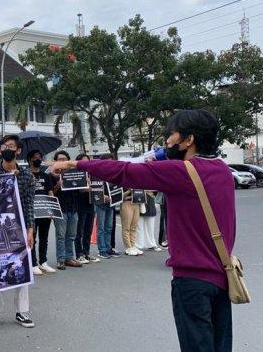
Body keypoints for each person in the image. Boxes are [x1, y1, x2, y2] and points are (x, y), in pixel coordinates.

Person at [53, 109, 235, 352]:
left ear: (189, 140)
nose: (167, 141)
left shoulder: (180, 172)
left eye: (172, 135)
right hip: (222, 277)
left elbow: (124, 171)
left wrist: (75, 163)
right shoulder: (222, 170)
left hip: (192, 283)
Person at [0, 134, 35, 329]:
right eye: (4, 146)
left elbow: (28, 204)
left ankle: (22, 312)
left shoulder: (27, 175)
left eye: (12, 146)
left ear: (18, 150)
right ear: (0, 150)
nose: (8, 149)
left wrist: (30, 230)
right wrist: (7, 180)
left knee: (22, 267)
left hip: (17, 227)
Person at [27, 149, 57, 275]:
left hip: (44, 211)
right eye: (35, 157)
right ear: (29, 160)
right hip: (31, 212)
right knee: (32, 238)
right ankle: (33, 263)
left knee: (44, 237)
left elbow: (50, 192)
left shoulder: (46, 176)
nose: (37, 159)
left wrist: (51, 210)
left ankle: (43, 262)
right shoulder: (25, 175)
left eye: (39, 157)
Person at [51, 151, 82, 269]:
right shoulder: (52, 176)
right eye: (60, 159)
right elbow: (50, 194)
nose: (62, 161)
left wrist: (85, 183)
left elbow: (81, 190)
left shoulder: (74, 173)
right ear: (56, 161)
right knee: (61, 235)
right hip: (60, 209)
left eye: (65, 159)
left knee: (71, 235)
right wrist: (57, 185)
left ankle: (69, 258)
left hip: (73, 208)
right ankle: (61, 259)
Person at [74, 154, 99, 264]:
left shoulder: (91, 173)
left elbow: (98, 187)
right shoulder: (76, 174)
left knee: (88, 231)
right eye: (83, 161)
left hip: (90, 204)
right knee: (79, 232)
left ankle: (86, 253)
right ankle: (79, 254)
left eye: (88, 161)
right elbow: (80, 190)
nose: (86, 163)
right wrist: (87, 187)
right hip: (80, 205)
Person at [94, 154, 115, 260]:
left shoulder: (112, 173)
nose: (110, 163)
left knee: (108, 227)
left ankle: (108, 248)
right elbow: (93, 189)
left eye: (111, 161)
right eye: (107, 161)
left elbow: (116, 187)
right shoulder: (96, 173)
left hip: (111, 204)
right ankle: (102, 250)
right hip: (100, 204)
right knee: (101, 228)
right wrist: (102, 195)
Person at [120, 188, 143, 256]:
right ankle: (128, 247)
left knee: (134, 227)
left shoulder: (135, 182)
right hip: (126, 203)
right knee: (126, 227)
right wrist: (129, 191)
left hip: (136, 203)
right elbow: (120, 196)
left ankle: (133, 246)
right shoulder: (122, 182)